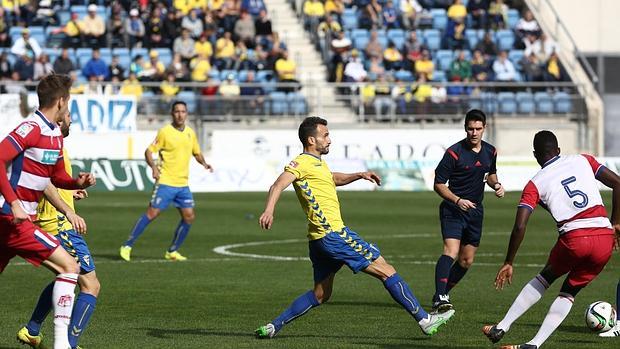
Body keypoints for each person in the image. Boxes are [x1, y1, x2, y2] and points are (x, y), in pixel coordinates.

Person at [254, 117, 455, 339]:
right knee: (386, 270)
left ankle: (274, 326)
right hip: (334, 235)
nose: (329, 139)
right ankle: (425, 320)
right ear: (312, 139)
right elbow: (278, 184)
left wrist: (359, 175)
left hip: (319, 239)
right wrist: (269, 210)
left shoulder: (317, 163)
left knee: (321, 295)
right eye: (326, 135)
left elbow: (331, 179)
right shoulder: (300, 163)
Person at [482, 130, 619, 349]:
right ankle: (534, 344)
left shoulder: (534, 183)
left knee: (545, 278)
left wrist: (509, 261)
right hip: (604, 238)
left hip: (575, 238)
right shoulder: (583, 160)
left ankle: (502, 326)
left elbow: (520, 226)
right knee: (569, 292)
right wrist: (616, 223)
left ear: (536, 155)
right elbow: (618, 183)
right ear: (558, 150)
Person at [0, 74, 95, 349]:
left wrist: (77, 181)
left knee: (68, 268)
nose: (69, 109)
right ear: (62, 101)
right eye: (69, 102)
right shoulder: (32, 127)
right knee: (69, 267)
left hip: (16, 220)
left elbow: (56, 177)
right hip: (13, 218)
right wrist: (14, 201)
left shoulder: (55, 135)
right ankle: (62, 345)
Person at [17, 109, 98, 349]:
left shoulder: (53, 142)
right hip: (59, 225)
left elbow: (49, 182)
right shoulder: (52, 144)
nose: (72, 119)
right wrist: (68, 211)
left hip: (50, 223)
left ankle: (32, 330)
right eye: (70, 115)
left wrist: (71, 193)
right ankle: (69, 345)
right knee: (91, 285)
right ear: (60, 118)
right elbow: (42, 183)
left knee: (67, 275)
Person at [120, 101, 213, 262]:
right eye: (177, 111)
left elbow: (196, 153)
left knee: (189, 217)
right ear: (172, 113)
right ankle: (127, 245)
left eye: (183, 111)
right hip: (166, 181)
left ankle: (172, 251)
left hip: (183, 184)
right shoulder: (165, 132)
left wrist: (204, 163)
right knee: (152, 213)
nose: (180, 114)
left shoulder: (190, 133)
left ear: (187, 114)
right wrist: (154, 168)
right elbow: (149, 151)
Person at [432, 109, 504, 312]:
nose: (474, 133)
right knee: (451, 251)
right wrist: (457, 200)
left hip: (475, 211)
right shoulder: (454, 152)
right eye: (470, 129)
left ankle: (443, 293)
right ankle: (440, 298)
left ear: (484, 129)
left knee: (466, 260)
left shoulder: (491, 151)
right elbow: (438, 184)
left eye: (478, 129)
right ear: (465, 128)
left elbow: (490, 174)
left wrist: (497, 185)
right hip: (453, 209)